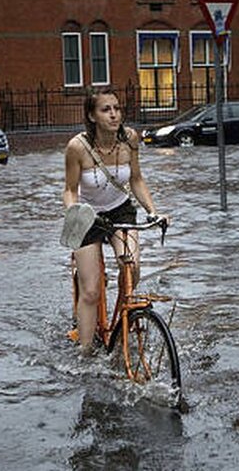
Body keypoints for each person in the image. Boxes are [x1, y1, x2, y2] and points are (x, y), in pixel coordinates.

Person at [62, 87, 166, 353]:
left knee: (132, 267)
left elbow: (137, 179)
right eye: (106, 109)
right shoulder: (77, 147)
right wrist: (73, 212)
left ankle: (123, 319)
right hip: (88, 215)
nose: (113, 115)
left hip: (120, 211)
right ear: (92, 116)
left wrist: (153, 211)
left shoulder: (130, 139)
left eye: (117, 109)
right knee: (91, 290)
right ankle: (86, 351)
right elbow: (70, 190)